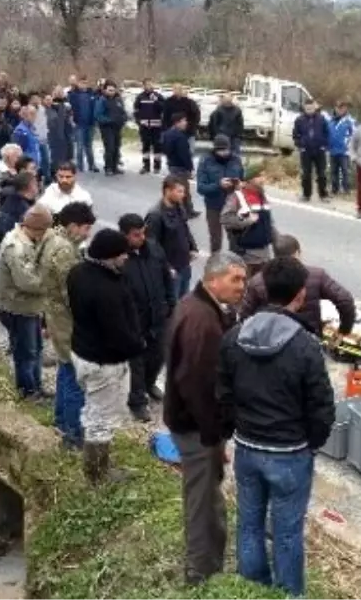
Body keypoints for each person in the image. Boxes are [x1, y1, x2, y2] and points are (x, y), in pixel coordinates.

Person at [216, 256, 335, 598]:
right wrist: (312, 443)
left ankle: (253, 589)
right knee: (286, 531)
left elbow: (223, 394)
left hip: (249, 448)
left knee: (249, 524)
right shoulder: (305, 345)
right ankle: (289, 593)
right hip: (290, 453)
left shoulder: (234, 336)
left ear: (264, 289)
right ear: (300, 296)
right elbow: (321, 407)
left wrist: (231, 432)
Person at [165, 251, 247, 587]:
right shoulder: (202, 319)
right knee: (200, 502)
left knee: (208, 496)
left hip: (195, 425)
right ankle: (199, 574)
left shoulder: (198, 306)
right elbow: (196, 384)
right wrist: (214, 436)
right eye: (235, 279)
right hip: (196, 428)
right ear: (213, 279)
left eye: (243, 279)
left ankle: (210, 563)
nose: (242, 286)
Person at [68, 229, 146, 485]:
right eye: (122, 253)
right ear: (109, 257)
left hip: (83, 351)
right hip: (104, 362)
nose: (126, 257)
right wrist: (138, 346)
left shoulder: (78, 272)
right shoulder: (106, 289)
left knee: (93, 411)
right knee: (100, 418)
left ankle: (98, 469)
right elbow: (118, 333)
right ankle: (97, 475)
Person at [41, 202, 97, 449]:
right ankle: (73, 436)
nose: (88, 234)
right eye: (86, 228)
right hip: (67, 322)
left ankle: (62, 422)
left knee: (65, 371)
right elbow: (71, 294)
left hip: (57, 318)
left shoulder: (55, 241)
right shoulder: (64, 251)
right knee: (76, 379)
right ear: (73, 226)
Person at [118, 214, 175, 422]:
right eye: (136, 235)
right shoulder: (118, 258)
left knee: (158, 355)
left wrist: (171, 303)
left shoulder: (155, 250)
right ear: (125, 235)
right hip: (134, 322)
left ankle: (150, 384)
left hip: (158, 316)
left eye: (143, 233)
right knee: (137, 364)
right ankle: (137, 402)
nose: (141, 238)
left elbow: (167, 278)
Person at [240, 234, 355, 337]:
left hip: (272, 338)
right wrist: (344, 330)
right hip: (309, 336)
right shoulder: (317, 275)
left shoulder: (257, 281)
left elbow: (245, 315)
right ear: (297, 253)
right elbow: (345, 299)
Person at [0, 205, 53, 399]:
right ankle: (27, 391)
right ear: (36, 228)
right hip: (16, 307)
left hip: (30, 307)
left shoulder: (31, 240)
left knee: (36, 349)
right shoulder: (15, 247)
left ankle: (36, 387)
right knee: (25, 352)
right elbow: (27, 282)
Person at [145, 174, 199, 300]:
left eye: (184, 191)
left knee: (184, 300)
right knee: (172, 305)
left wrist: (193, 247)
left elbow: (185, 229)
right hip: (171, 270)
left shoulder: (179, 207)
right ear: (167, 191)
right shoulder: (155, 215)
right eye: (179, 191)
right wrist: (167, 267)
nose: (183, 195)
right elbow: (152, 246)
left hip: (184, 264)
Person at [221, 165, 277, 277]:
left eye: (263, 176)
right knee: (245, 288)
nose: (263, 179)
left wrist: (277, 240)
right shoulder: (238, 197)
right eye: (259, 176)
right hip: (247, 256)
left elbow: (268, 222)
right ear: (250, 179)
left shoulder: (263, 196)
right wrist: (247, 221)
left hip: (264, 254)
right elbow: (225, 219)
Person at [195, 135, 244, 254]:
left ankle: (235, 263)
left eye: (225, 149)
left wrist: (240, 185)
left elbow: (243, 178)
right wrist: (218, 185)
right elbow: (201, 188)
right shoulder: (205, 161)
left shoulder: (236, 159)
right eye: (220, 150)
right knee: (216, 240)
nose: (223, 153)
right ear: (215, 149)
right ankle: (215, 265)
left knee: (235, 239)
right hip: (214, 206)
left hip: (233, 205)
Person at [292, 99, 330, 202]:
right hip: (306, 151)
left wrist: (324, 145)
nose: (309, 110)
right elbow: (295, 135)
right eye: (307, 108)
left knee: (322, 174)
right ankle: (306, 194)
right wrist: (301, 146)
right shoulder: (299, 120)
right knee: (306, 174)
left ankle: (323, 194)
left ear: (315, 108)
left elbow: (327, 133)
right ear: (304, 108)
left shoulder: (321, 119)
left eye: (311, 108)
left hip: (319, 150)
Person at [161, 113, 198, 217]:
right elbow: (184, 154)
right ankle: (186, 211)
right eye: (183, 121)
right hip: (180, 167)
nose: (186, 123)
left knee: (179, 188)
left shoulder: (167, 134)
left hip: (172, 164)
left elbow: (164, 149)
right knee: (183, 190)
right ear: (177, 122)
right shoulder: (180, 136)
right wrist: (190, 168)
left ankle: (187, 210)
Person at [0, 171, 39, 246]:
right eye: (36, 184)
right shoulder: (24, 210)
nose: (37, 186)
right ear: (31, 186)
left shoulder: (9, 200)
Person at [94, 82, 128, 175]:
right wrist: (110, 120)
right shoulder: (101, 100)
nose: (112, 92)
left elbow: (123, 112)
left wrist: (124, 118)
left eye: (113, 90)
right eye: (109, 90)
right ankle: (108, 168)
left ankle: (115, 167)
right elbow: (98, 115)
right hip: (107, 128)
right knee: (110, 147)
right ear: (105, 90)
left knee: (117, 147)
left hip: (117, 127)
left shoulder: (118, 100)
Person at [67, 75, 99, 173]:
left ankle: (92, 165)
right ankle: (79, 167)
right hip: (79, 124)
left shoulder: (92, 94)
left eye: (85, 82)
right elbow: (69, 108)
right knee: (79, 146)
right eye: (81, 82)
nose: (83, 84)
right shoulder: (73, 94)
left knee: (89, 146)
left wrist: (95, 121)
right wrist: (71, 120)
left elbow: (95, 108)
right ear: (78, 83)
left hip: (90, 124)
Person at [134, 79, 166, 175]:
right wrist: (139, 122)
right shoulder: (140, 97)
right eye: (147, 84)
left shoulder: (158, 96)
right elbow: (136, 111)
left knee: (157, 147)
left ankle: (157, 166)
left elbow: (163, 108)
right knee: (145, 147)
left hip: (156, 127)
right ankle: (146, 166)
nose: (149, 86)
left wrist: (155, 100)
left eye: (151, 84)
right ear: (143, 86)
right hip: (144, 127)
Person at [162, 84, 201, 161]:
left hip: (188, 132)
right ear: (172, 90)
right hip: (173, 132)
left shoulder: (189, 102)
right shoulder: (168, 102)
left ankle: (188, 169)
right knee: (173, 152)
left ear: (181, 90)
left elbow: (196, 115)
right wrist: (167, 129)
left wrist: (191, 126)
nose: (177, 91)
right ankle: (174, 169)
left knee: (189, 152)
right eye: (175, 89)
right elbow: (165, 117)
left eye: (179, 89)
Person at [0, 144, 23, 219]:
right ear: (8, 158)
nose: (20, 160)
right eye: (17, 157)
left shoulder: (17, 170)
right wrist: (0, 216)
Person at [326, 100, 355, 196]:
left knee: (345, 171)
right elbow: (327, 134)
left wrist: (348, 146)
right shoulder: (331, 121)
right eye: (339, 108)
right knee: (333, 171)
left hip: (344, 152)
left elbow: (354, 135)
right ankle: (335, 189)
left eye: (343, 108)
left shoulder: (349, 121)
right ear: (335, 108)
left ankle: (346, 189)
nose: (341, 110)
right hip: (333, 150)